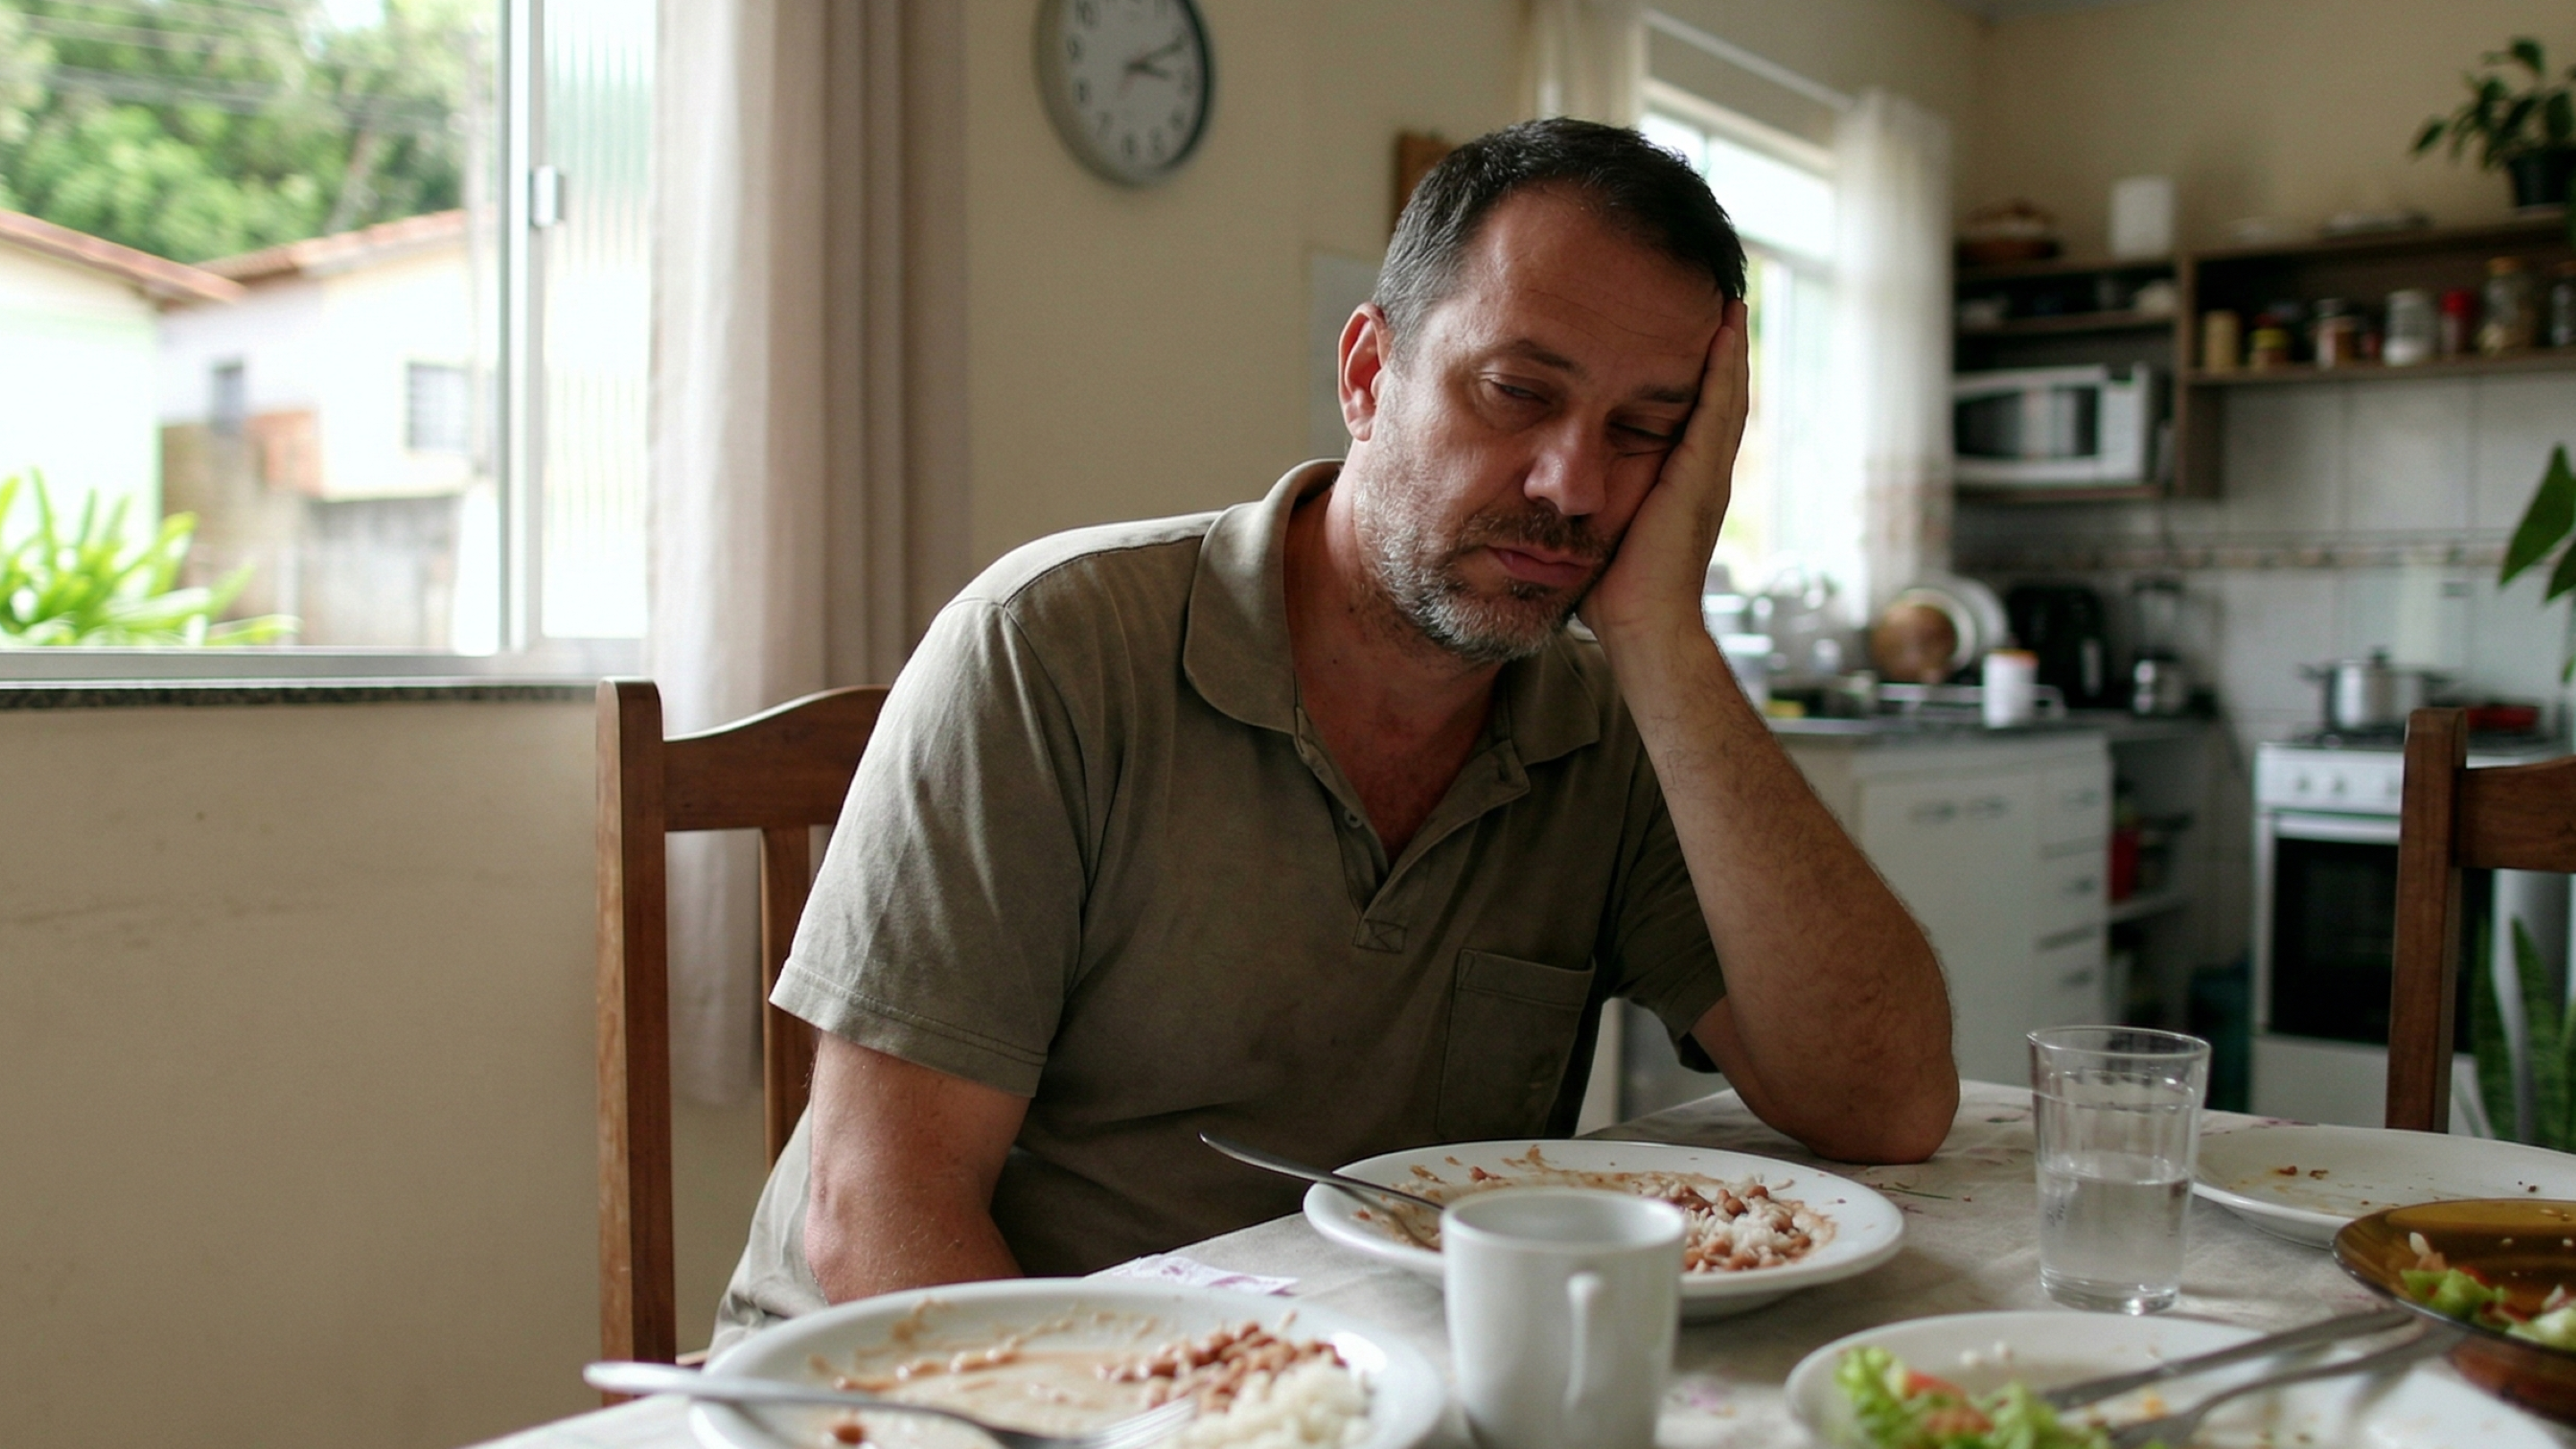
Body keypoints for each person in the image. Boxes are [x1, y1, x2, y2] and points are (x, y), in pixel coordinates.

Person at [711, 117, 1955, 1349]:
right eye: (1519, 392)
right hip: (929, 1395)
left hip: (1344, 1380)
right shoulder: (1050, 650)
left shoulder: (1610, 721)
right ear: (1367, 375)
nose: (1573, 485)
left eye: (1644, 433)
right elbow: (877, 1218)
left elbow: (1885, 1105)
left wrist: (1667, 639)